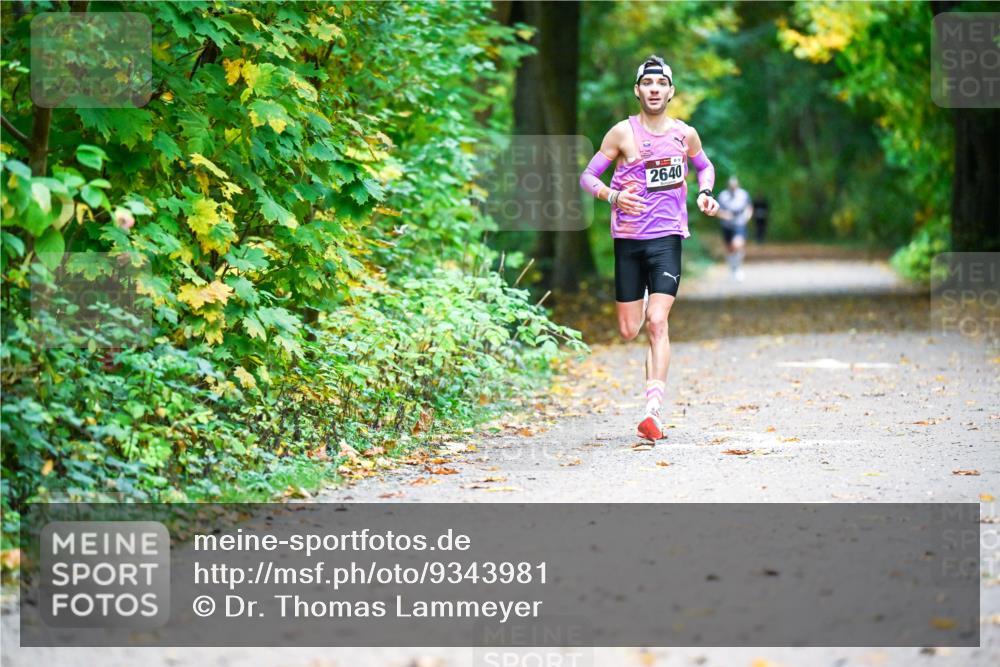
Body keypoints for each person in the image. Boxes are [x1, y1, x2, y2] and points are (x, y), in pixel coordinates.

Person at [579, 55, 719, 442]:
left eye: (661, 84)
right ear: (638, 90)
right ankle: (640, 297)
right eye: (648, 83)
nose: (655, 89)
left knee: (658, 321)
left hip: (667, 238)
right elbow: (588, 177)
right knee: (629, 329)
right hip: (628, 240)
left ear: (671, 91)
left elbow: (705, 167)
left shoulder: (684, 134)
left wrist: (705, 193)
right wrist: (613, 196)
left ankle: (652, 412)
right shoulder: (621, 134)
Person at [716, 176, 752, 281]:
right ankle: (732, 268)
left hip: (739, 224)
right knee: (729, 248)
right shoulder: (723, 196)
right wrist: (725, 215)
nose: (733, 188)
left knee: (738, 244)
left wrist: (747, 217)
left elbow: (749, 207)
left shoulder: (743, 194)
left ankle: (738, 268)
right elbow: (717, 211)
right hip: (726, 225)